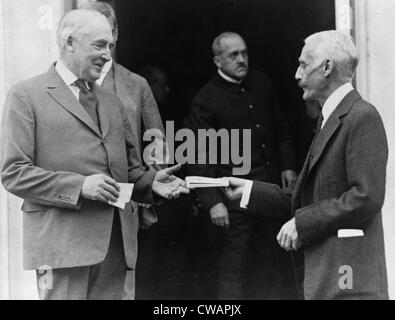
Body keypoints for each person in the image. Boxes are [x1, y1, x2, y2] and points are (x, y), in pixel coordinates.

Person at [0, 9, 189, 300]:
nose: (107, 55)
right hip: (61, 249)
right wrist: (80, 186)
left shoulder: (111, 101)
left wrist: (151, 184)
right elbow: (14, 173)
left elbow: (128, 173)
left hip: (115, 247)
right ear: (69, 42)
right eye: (99, 45)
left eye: (110, 46)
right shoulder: (26, 95)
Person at [223, 30, 389, 300]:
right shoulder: (332, 118)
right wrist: (252, 191)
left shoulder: (362, 117)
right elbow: (311, 195)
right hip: (329, 281)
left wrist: (302, 223)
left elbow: (366, 197)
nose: (297, 75)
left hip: (349, 284)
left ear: (327, 68)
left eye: (303, 65)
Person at [186, 32, 298, 299]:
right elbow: (198, 155)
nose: (241, 59)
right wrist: (212, 201)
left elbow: (280, 127)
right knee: (234, 271)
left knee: (271, 266)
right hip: (233, 199)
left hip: (269, 192)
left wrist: (288, 165)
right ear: (217, 60)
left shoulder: (261, 82)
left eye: (244, 53)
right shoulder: (206, 99)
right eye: (233, 55)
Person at [78, 2, 166, 299]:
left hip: (126, 203)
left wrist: (148, 189)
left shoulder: (136, 84)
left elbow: (156, 141)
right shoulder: (61, 84)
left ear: (115, 33)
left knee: (123, 289)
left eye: (107, 32)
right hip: (79, 204)